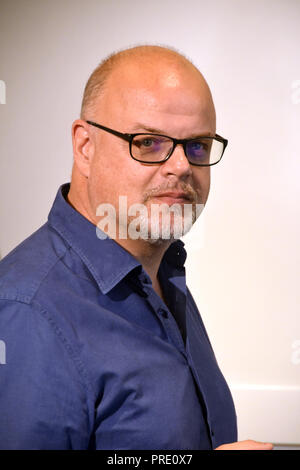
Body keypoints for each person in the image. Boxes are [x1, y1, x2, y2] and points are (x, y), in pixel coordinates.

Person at [0, 45, 273, 450]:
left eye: (197, 145)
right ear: (85, 147)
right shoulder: (27, 310)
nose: (181, 165)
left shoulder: (160, 274)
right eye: (148, 142)